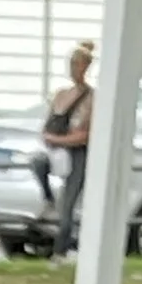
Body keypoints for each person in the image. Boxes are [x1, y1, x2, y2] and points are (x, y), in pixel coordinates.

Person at [41, 38, 95, 256]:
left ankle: (60, 250)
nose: (73, 69)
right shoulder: (61, 94)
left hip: (77, 154)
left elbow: (84, 135)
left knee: (69, 203)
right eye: (71, 64)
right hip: (57, 150)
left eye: (77, 64)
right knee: (37, 163)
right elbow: (48, 124)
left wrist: (61, 140)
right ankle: (48, 198)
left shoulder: (92, 98)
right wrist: (51, 138)